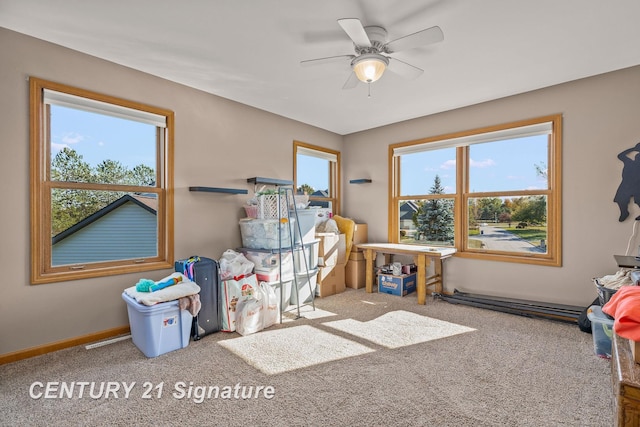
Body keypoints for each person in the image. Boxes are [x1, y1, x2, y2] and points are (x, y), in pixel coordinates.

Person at [614, 142, 640, 221]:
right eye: (638, 157)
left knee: (639, 200)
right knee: (620, 199)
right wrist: (634, 149)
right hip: (626, 184)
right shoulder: (629, 162)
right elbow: (620, 156)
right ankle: (624, 212)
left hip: (637, 185)